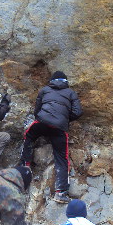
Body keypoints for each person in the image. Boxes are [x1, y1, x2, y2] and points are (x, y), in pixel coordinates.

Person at [19, 70, 82, 203]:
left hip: (42, 122)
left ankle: (25, 165)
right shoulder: (71, 92)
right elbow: (77, 112)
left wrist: (42, 117)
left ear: (52, 81)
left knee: (28, 135)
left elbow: (37, 109)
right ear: (66, 82)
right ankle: (61, 193)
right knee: (62, 158)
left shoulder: (45, 90)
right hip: (59, 128)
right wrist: (64, 118)